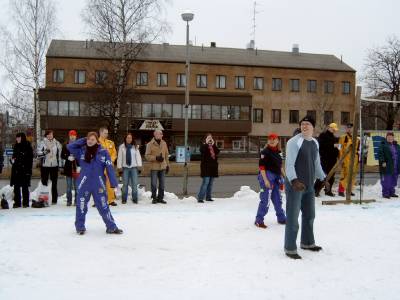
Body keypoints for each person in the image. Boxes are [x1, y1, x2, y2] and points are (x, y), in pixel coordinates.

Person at [284, 116, 327, 259]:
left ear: (313, 127)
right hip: (295, 185)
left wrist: (323, 177)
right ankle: (290, 248)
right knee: (293, 217)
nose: (304, 126)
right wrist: (294, 180)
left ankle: (307, 243)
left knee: (309, 215)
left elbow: (316, 163)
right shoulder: (294, 142)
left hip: (308, 185)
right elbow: (289, 164)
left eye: (308, 124)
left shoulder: (315, 142)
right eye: (302, 124)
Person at [67, 132, 123, 235]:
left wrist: (113, 183)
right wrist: (84, 139)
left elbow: (109, 167)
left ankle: (111, 227)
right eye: (88, 139)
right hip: (84, 183)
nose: (90, 141)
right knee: (81, 206)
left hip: (99, 184)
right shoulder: (81, 151)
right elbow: (70, 146)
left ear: (97, 141)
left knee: (103, 206)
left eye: (92, 139)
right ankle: (80, 227)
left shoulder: (103, 152)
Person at [254, 133, 286, 228]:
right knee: (265, 200)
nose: (272, 140)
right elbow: (262, 167)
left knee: (278, 200)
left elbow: (280, 166)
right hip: (267, 177)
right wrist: (266, 180)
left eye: (274, 139)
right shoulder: (265, 152)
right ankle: (258, 220)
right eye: (270, 139)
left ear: (277, 141)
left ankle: (281, 218)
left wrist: (285, 177)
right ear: (268, 141)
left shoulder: (278, 152)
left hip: (276, 178)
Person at [314, 123, 340, 197]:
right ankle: (315, 190)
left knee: (331, 176)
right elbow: (322, 145)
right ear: (329, 128)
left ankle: (328, 190)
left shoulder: (334, 137)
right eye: (333, 129)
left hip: (333, 159)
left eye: (335, 130)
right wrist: (333, 145)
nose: (334, 131)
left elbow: (336, 148)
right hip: (325, 159)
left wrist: (338, 152)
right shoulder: (323, 136)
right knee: (321, 175)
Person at [37, 130, 62, 204]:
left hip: (54, 165)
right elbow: (38, 154)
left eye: (51, 134)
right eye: (48, 134)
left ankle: (54, 199)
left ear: (53, 135)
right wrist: (44, 152)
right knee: (44, 182)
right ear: (46, 136)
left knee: (54, 183)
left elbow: (59, 154)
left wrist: (60, 165)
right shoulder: (42, 143)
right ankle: (44, 198)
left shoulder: (57, 143)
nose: (50, 136)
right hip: (45, 166)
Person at [145, 130, 170, 204]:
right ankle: (154, 198)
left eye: (162, 134)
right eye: (160, 134)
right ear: (155, 135)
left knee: (162, 184)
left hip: (162, 167)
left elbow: (166, 155)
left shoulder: (164, 143)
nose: (161, 135)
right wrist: (156, 158)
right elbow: (147, 156)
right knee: (154, 184)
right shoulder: (150, 144)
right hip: (154, 167)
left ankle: (160, 198)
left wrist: (168, 165)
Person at [117, 133, 143, 204]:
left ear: (132, 139)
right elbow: (119, 158)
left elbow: (138, 157)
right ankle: (124, 199)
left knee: (134, 184)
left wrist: (139, 166)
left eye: (130, 138)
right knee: (125, 184)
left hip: (134, 168)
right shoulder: (122, 147)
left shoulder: (135, 147)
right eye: (128, 138)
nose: (129, 139)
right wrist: (119, 168)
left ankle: (134, 198)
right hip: (125, 168)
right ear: (125, 139)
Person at [10, 133, 33, 208]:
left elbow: (30, 159)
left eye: (19, 138)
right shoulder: (15, 146)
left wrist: (28, 169)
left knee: (25, 187)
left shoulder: (27, 146)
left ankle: (25, 203)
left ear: (22, 138)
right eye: (17, 138)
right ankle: (17, 203)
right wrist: (12, 160)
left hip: (25, 170)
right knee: (16, 187)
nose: (17, 139)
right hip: (16, 170)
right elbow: (14, 157)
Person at [338, 123, 360, 197]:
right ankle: (341, 190)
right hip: (346, 159)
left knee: (352, 175)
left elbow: (358, 150)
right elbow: (340, 149)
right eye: (348, 128)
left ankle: (349, 190)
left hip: (354, 159)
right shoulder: (343, 137)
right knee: (344, 175)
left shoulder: (357, 138)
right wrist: (341, 159)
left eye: (351, 128)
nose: (349, 129)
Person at [197, 133, 220, 203]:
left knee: (211, 183)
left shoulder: (213, 146)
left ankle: (208, 197)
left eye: (211, 137)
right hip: (206, 167)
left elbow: (217, 152)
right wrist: (206, 144)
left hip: (213, 168)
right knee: (205, 182)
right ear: (206, 139)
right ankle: (200, 198)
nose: (210, 139)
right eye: (208, 137)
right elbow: (202, 151)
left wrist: (213, 144)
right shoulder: (203, 146)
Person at [98, 127, 118, 206]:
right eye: (105, 133)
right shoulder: (96, 143)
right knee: (99, 184)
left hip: (109, 167)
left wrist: (110, 161)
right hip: (99, 167)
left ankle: (111, 200)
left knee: (110, 184)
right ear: (100, 133)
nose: (107, 134)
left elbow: (114, 154)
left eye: (107, 133)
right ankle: (98, 200)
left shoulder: (111, 143)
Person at [378, 132, 400, 199]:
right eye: (389, 137)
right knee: (387, 180)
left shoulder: (397, 145)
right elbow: (380, 154)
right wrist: (383, 161)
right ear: (386, 137)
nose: (390, 138)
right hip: (387, 165)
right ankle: (385, 193)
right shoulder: (383, 145)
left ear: (393, 137)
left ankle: (392, 192)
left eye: (391, 137)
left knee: (394, 179)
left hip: (395, 165)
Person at [61, 130, 80, 206]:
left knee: (77, 187)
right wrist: (67, 157)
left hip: (76, 168)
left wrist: (80, 166)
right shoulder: (65, 145)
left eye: (74, 135)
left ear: (76, 136)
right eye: (71, 135)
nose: (72, 137)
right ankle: (69, 201)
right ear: (69, 136)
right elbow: (62, 155)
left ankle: (76, 201)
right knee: (68, 187)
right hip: (68, 168)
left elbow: (81, 156)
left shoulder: (79, 145)